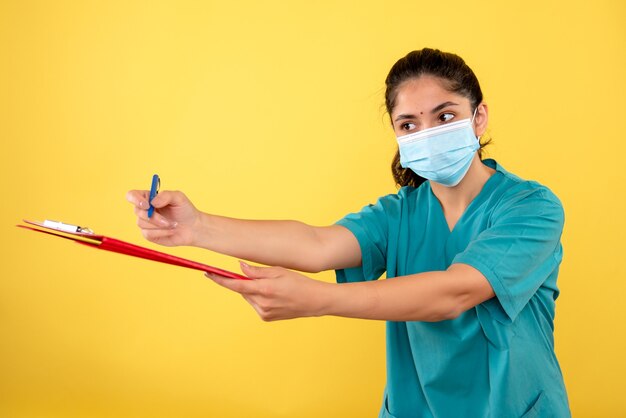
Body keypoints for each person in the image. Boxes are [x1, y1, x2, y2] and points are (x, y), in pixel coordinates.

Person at [127, 48, 571, 418]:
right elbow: (317, 245)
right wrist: (197, 226)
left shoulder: (531, 208)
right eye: (409, 124)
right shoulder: (398, 214)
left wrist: (318, 300)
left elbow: (453, 292)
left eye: (445, 115)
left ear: (479, 118)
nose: (428, 133)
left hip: (513, 407)